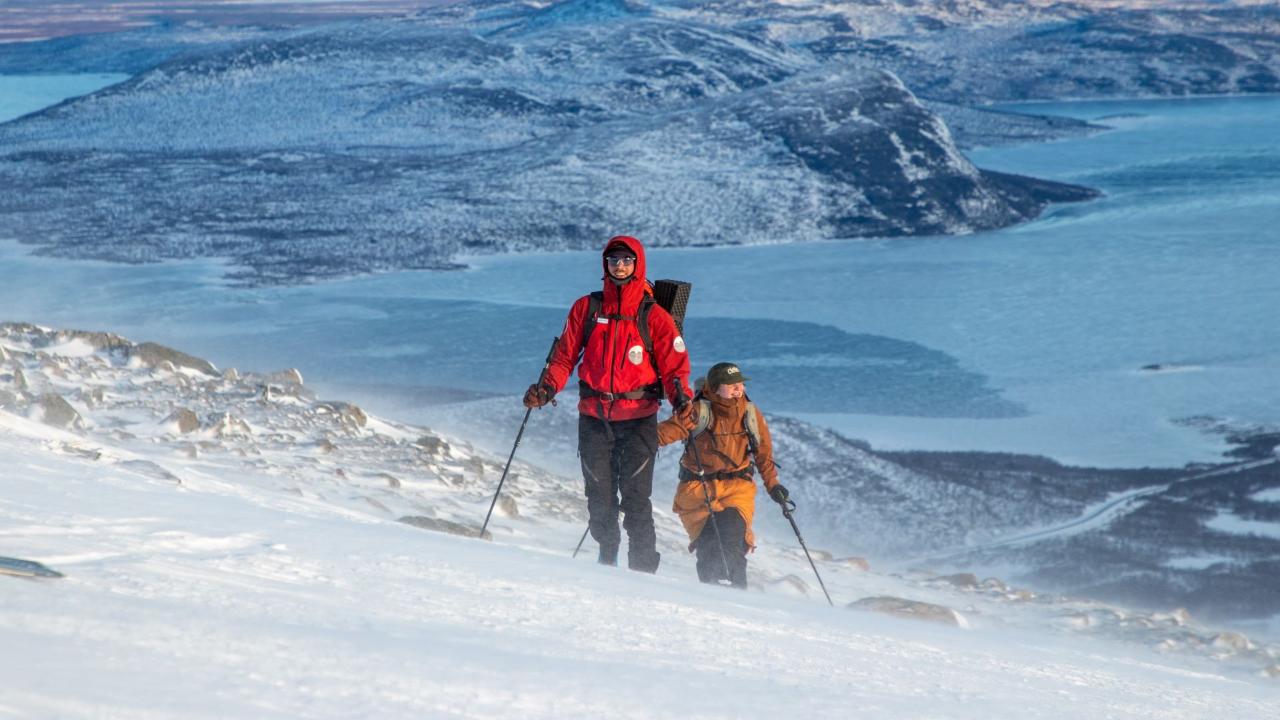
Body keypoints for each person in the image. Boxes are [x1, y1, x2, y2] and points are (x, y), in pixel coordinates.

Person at [523, 235, 691, 572]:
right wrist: (547, 389)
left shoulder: (654, 315)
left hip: (639, 417)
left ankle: (643, 569)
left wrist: (681, 399)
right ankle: (607, 558)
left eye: (627, 260)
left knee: (635, 497)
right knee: (598, 497)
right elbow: (564, 356)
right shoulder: (586, 308)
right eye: (613, 260)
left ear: (637, 264)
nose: (619, 266)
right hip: (594, 416)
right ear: (605, 264)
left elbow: (675, 366)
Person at [657, 362, 787, 589]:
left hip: (738, 488)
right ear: (715, 387)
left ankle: (736, 591)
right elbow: (665, 434)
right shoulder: (697, 411)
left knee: (730, 535)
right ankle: (714, 596)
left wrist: (774, 486)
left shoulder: (749, 413)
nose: (738, 389)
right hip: (697, 492)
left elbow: (763, 455)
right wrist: (635, 444)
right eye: (731, 385)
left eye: (740, 384)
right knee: (707, 546)